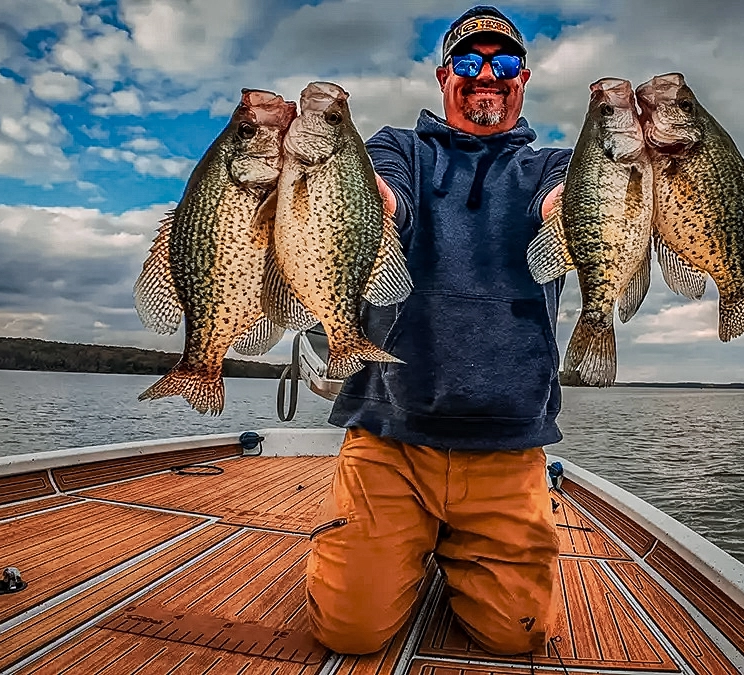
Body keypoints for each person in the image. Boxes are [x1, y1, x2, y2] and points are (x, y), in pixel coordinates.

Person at [306, 5, 570, 656]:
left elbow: (565, 201)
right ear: (444, 75)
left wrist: (583, 204)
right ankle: (402, 546)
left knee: (518, 636)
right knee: (349, 630)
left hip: (507, 448)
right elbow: (384, 194)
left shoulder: (552, 166)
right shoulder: (400, 148)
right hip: (390, 441)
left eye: (504, 62)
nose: (487, 73)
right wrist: (353, 189)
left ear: (523, 77)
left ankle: (450, 549)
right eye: (469, 60)